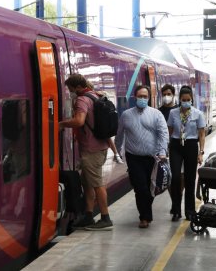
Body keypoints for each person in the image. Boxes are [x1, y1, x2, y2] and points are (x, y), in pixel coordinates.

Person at [59, 74, 113, 231]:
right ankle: (88, 216)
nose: (70, 93)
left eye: (70, 89)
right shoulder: (95, 95)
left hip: (91, 150)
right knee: (88, 183)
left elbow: (79, 121)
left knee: (96, 184)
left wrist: (61, 124)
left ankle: (105, 218)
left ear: (77, 87)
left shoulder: (82, 100)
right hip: (99, 147)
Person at [115, 85, 168, 229]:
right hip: (134, 157)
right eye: (140, 96)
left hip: (153, 158)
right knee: (140, 188)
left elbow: (163, 133)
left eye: (145, 97)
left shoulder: (156, 114)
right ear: (135, 97)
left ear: (149, 98)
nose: (143, 99)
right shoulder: (126, 115)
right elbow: (119, 134)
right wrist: (117, 151)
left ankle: (145, 213)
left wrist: (163, 151)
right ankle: (144, 217)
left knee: (150, 188)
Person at [167, 86, 205, 221]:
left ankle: (190, 210)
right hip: (176, 145)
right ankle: (176, 210)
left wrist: (201, 152)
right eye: (183, 100)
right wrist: (166, 146)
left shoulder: (198, 113)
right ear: (179, 100)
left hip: (191, 145)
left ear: (192, 100)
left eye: (188, 100)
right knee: (175, 177)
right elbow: (169, 130)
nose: (186, 102)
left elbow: (201, 133)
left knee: (190, 179)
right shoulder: (173, 113)